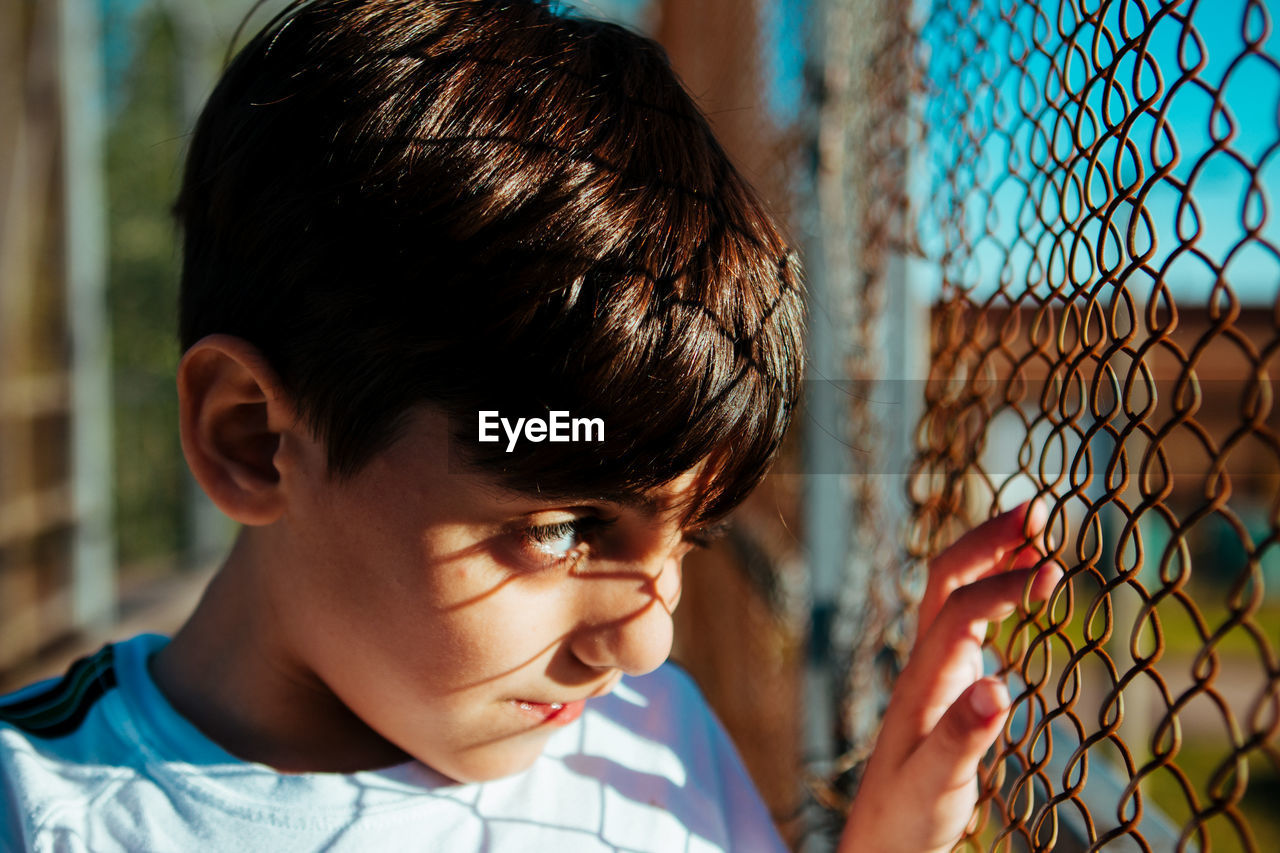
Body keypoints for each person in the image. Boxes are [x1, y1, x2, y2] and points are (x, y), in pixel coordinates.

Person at [0, 1, 1061, 850]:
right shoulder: (41, 807)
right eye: (562, 525)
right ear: (253, 438)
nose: (645, 641)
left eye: (685, 535)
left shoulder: (659, 745)